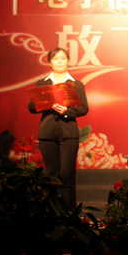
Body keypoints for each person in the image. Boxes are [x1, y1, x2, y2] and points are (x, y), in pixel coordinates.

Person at [28, 47, 88, 211]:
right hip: (47, 132)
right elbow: (31, 108)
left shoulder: (76, 84)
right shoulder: (42, 83)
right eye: (55, 59)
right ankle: (52, 212)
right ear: (50, 63)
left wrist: (67, 111)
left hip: (69, 132)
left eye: (63, 58)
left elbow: (84, 108)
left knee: (67, 173)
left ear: (68, 61)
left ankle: (69, 213)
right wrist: (45, 103)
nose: (59, 61)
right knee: (51, 174)